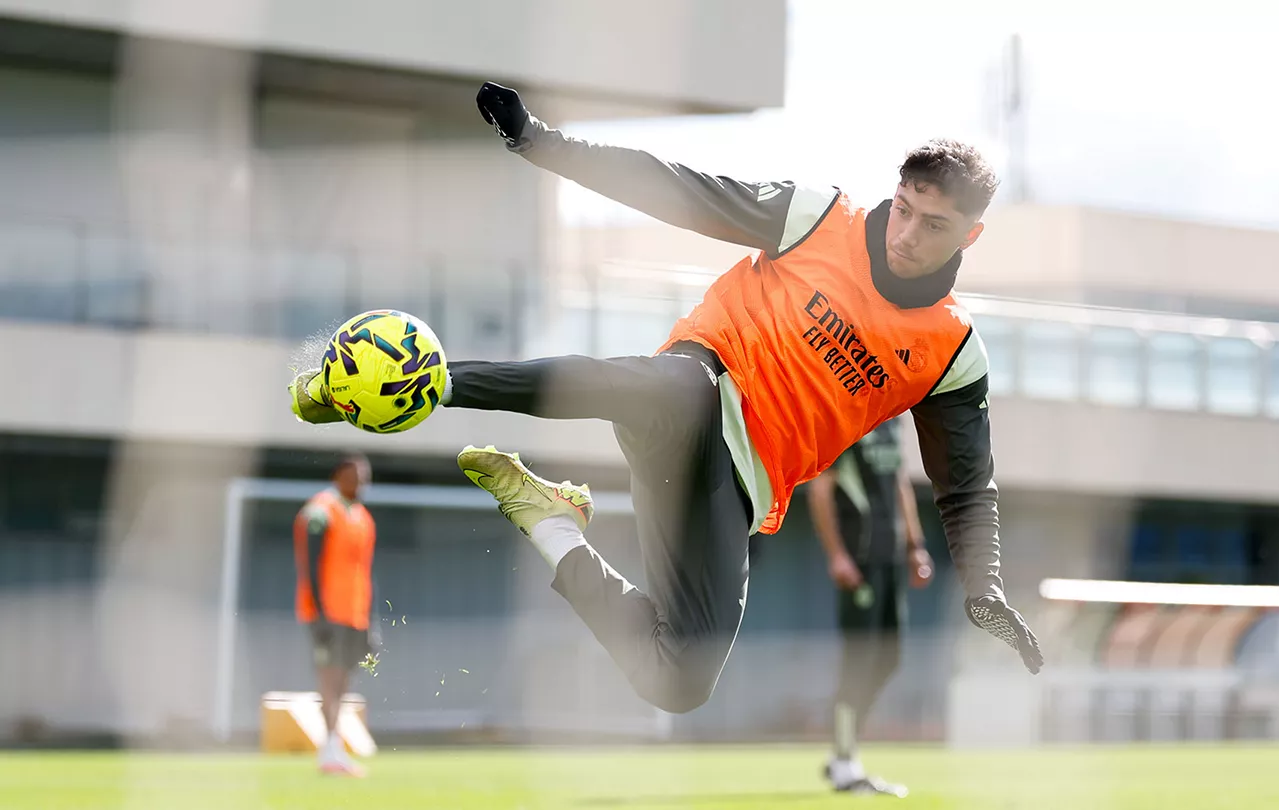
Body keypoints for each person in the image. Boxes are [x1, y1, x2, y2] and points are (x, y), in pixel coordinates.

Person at [289, 82, 1043, 716]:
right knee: (670, 393)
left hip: (734, 484)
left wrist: (985, 586)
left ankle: (552, 525)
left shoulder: (950, 352)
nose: (906, 232)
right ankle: (441, 381)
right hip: (698, 384)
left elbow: (966, 488)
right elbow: (677, 190)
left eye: (933, 224)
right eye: (904, 205)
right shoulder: (820, 218)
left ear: (970, 236)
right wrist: (539, 141)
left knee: (682, 681)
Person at [808, 419, 932, 795]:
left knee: (889, 658)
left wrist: (915, 545)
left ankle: (843, 751)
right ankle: (845, 762)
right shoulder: (843, 422)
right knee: (859, 661)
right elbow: (820, 490)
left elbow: (900, 484)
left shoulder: (892, 423)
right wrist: (837, 555)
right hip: (858, 563)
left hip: (891, 561)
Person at [293, 454, 376, 777]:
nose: (363, 482)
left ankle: (335, 748)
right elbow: (309, 565)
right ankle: (328, 751)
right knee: (328, 678)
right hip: (327, 612)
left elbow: (365, 572)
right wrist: (320, 611)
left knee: (343, 681)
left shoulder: (362, 516)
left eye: (366, 476)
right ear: (339, 475)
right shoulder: (319, 511)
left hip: (354, 613)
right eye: (357, 475)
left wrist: (371, 621)